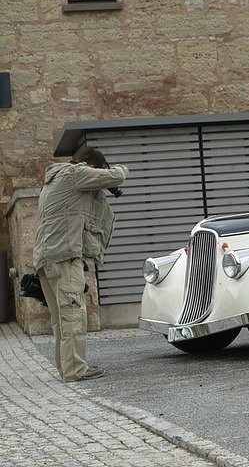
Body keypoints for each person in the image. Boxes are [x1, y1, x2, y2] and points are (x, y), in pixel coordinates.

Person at [33, 147, 128, 382]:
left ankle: (66, 368)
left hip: (46, 260)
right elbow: (116, 176)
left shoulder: (55, 179)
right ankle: (75, 370)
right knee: (74, 315)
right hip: (65, 258)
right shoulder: (76, 173)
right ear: (92, 166)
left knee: (61, 319)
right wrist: (116, 170)